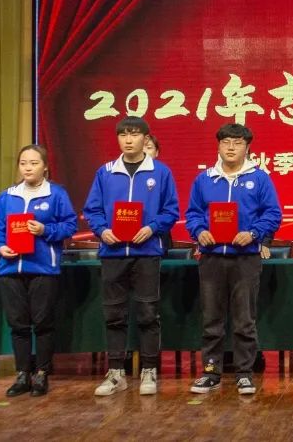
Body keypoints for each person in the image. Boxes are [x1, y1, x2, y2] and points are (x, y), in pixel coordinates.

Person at [83, 116, 179, 397]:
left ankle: (149, 370)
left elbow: (171, 211)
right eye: (123, 134)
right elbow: (92, 210)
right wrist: (102, 230)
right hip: (113, 253)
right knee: (114, 314)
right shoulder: (105, 172)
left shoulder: (160, 172)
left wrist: (152, 228)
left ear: (145, 139)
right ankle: (116, 372)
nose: (128, 139)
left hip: (146, 252)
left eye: (134, 134)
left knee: (148, 313)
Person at [185, 123, 282, 396]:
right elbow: (193, 213)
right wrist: (199, 231)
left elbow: (272, 214)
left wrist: (253, 233)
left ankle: (244, 374)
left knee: (244, 320)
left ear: (247, 147)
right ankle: (211, 372)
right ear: (218, 145)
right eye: (226, 142)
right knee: (211, 319)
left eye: (237, 142)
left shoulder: (259, 178)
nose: (231, 147)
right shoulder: (204, 179)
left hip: (245, 259)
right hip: (212, 258)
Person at [0, 144, 77, 397]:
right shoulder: (7, 196)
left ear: (45, 167)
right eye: (23, 163)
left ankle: (42, 373)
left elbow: (70, 225)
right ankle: (22, 373)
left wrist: (45, 230)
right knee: (18, 324)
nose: (28, 167)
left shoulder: (56, 194)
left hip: (43, 268)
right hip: (10, 269)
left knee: (43, 323)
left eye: (34, 163)